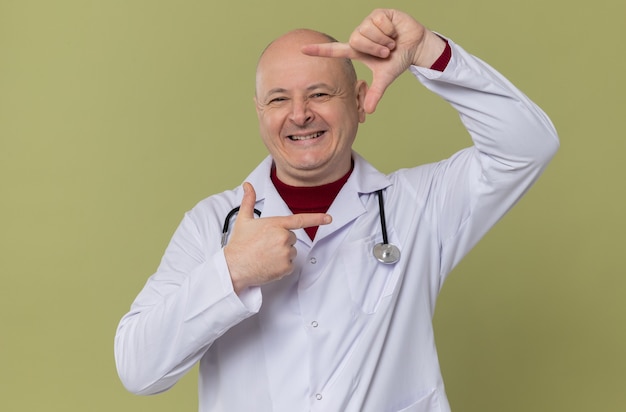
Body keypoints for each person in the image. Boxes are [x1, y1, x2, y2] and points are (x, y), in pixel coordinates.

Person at [115, 8, 558, 412]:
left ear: (360, 100)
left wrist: (427, 51)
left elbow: (528, 147)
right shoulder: (212, 224)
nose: (300, 114)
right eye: (278, 99)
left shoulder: (420, 205)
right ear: (259, 112)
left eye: (320, 93)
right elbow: (139, 371)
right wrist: (232, 272)